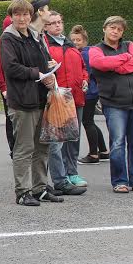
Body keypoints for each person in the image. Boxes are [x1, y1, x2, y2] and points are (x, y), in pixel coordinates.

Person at [0, 0, 60, 206]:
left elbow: (42, 62)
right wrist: (38, 74)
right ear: (11, 17)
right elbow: (11, 67)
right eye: (17, 14)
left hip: (42, 98)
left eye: (25, 14)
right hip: (23, 102)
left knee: (42, 147)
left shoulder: (35, 36)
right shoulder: (8, 39)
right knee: (24, 148)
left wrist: (50, 73)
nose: (22, 18)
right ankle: (23, 191)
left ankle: (40, 188)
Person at [89, 16, 133, 193]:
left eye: (119, 29)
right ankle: (120, 181)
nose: (115, 31)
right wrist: (125, 58)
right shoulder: (96, 49)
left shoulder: (130, 45)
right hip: (113, 102)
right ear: (104, 28)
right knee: (117, 143)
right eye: (112, 28)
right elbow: (98, 63)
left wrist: (116, 66)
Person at [42, 11, 88, 195]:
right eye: (52, 23)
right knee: (58, 140)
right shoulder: (45, 45)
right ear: (45, 26)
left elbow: (83, 67)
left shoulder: (70, 44)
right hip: (58, 98)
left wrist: (85, 79)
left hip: (76, 97)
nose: (57, 25)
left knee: (74, 137)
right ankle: (61, 178)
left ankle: (72, 172)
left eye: (59, 22)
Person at [69, 25, 109, 164]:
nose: (75, 42)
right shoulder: (83, 52)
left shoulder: (85, 54)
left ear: (85, 41)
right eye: (73, 40)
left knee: (87, 122)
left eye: (78, 40)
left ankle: (93, 154)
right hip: (91, 91)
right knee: (90, 121)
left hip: (89, 92)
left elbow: (87, 73)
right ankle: (103, 151)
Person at [0, 16, 15, 156]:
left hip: (23, 87)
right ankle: (14, 148)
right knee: (11, 118)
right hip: (9, 88)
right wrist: (3, 88)